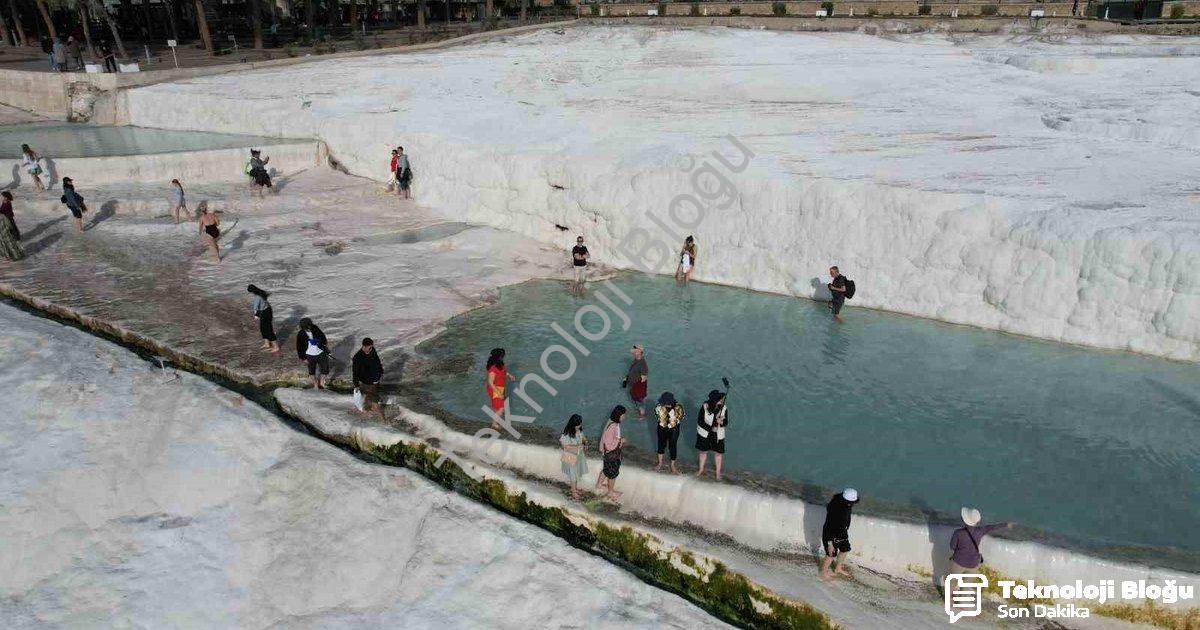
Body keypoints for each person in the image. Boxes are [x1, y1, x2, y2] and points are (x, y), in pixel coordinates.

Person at [949, 508, 1014, 575]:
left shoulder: (958, 533)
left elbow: (952, 546)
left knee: (953, 581)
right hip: (973, 564)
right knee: (968, 584)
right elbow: (991, 527)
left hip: (959, 562)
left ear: (965, 520)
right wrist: (1006, 524)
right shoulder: (980, 531)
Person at [820, 488, 859, 580]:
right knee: (831, 554)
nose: (851, 504)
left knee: (845, 549)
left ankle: (838, 568)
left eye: (852, 502)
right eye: (850, 502)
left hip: (842, 532)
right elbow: (829, 526)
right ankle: (823, 572)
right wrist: (830, 543)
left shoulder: (844, 503)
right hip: (831, 534)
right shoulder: (836, 510)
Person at [594, 405, 628, 501]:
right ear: (619, 415)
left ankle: (599, 485)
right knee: (612, 474)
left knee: (606, 469)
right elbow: (609, 444)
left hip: (606, 453)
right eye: (623, 415)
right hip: (611, 454)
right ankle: (610, 492)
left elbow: (606, 440)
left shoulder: (611, 421)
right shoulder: (613, 426)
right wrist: (621, 440)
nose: (624, 417)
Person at [694, 389, 729, 480]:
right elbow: (700, 421)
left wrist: (721, 422)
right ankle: (701, 469)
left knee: (718, 453)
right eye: (720, 399)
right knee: (703, 451)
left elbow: (726, 422)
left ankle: (718, 473)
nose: (722, 400)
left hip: (718, 434)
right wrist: (713, 425)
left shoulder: (724, 408)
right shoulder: (705, 407)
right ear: (714, 400)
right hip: (704, 433)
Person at [352, 337, 386, 422]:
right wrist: (356, 385)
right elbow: (355, 372)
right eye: (369, 347)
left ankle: (366, 413)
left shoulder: (372, 350)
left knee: (369, 397)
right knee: (374, 401)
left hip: (375, 379)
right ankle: (382, 420)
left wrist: (381, 371)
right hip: (367, 381)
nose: (370, 349)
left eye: (371, 347)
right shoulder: (357, 358)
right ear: (363, 346)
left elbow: (377, 361)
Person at [485, 348, 516, 432]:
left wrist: (509, 376)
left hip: (501, 387)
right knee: (501, 408)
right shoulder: (492, 369)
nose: (503, 357)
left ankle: (495, 419)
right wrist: (499, 393)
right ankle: (494, 424)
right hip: (494, 389)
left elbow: (504, 371)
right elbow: (491, 383)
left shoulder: (500, 364)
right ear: (498, 357)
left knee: (497, 406)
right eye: (502, 356)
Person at [560, 414, 589, 500]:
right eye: (578, 424)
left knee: (575, 474)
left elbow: (583, 438)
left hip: (578, 455)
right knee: (573, 475)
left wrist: (585, 442)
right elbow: (565, 446)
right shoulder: (567, 433)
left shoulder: (578, 430)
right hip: (570, 456)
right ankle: (573, 492)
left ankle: (575, 489)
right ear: (573, 424)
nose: (580, 426)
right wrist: (578, 446)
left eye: (580, 424)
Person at [295, 318, 330, 389]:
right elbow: (299, 347)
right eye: (306, 327)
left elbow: (323, 337)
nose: (309, 328)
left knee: (325, 369)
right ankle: (315, 384)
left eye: (309, 326)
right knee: (311, 371)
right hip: (309, 355)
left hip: (320, 352)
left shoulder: (315, 328)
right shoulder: (300, 334)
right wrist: (303, 358)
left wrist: (320, 341)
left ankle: (322, 382)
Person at [654, 391, 683, 473]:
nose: (662, 403)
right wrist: (669, 419)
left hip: (674, 429)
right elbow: (657, 416)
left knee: (672, 447)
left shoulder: (678, 407)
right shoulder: (658, 407)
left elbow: (681, 417)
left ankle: (672, 465)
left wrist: (671, 421)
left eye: (664, 402)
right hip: (662, 428)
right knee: (661, 445)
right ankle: (660, 463)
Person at [247, 284, 279, 352]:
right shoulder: (261, 293)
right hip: (267, 311)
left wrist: (256, 315)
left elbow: (256, 308)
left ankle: (276, 347)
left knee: (268, 329)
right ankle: (267, 344)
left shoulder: (257, 297)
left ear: (252, 291)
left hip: (265, 313)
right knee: (263, 328)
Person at [623, 344, 648, 417]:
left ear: (639, 353)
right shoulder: (636, 359)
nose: (633, 353)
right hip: (634, 386)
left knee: (640, 401)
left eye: (634, 352)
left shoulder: (643, 365)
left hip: (638, 388)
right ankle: (640, 409)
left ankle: (642, 415)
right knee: (636, 400)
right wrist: (627, 378)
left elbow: (643, 379)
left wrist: (635, 386)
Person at [0, 191, 23, 261]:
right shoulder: (6, 202)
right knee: (10, 236)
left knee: (10, 236)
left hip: (8, 220)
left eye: (3, 196)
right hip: (8, 219)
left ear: (6, 197)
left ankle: (15, 254)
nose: (2, 197)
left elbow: (1, 210)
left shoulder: (6, 203)